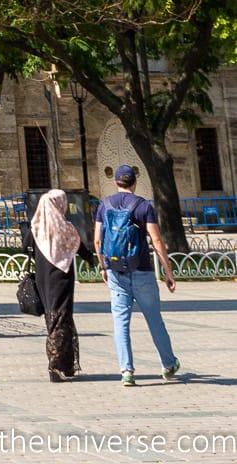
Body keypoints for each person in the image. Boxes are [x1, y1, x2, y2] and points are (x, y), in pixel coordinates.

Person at [94, 164, 181, 385]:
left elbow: (97, 240)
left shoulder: (104, 205)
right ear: (134, 182)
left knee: (121, 322)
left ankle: (127, 371)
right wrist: (168, 272)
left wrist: (103, 266)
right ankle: (169, 364)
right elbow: (157, 240)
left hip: (115, 270)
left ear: (116, 182)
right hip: (141, 269)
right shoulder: (143, 206)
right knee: (154, 319)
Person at [20, 189, 81, 381]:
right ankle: (55, 365)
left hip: (42, 280)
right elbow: (81, 247)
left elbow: (24, 247)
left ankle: (67, 364)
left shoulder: (35, 229)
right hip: (61, 279)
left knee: (53, 318)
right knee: (61, 319)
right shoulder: (65, 228)